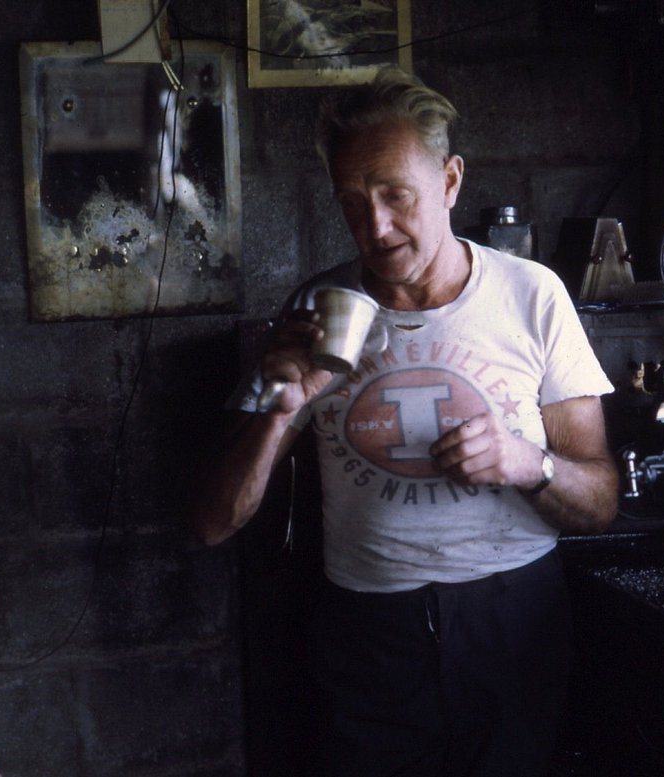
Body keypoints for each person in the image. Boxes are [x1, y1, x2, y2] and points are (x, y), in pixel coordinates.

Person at [193, 66, 618, 776]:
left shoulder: (530, 296)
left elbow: (601, 502)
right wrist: (279, 413)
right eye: (353, 204)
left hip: (513, 617)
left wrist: (525, 462)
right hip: (369, 632)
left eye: (396, 196)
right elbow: (211, 522)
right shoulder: (320, 309)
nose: (376, 227)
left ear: (451, 182)